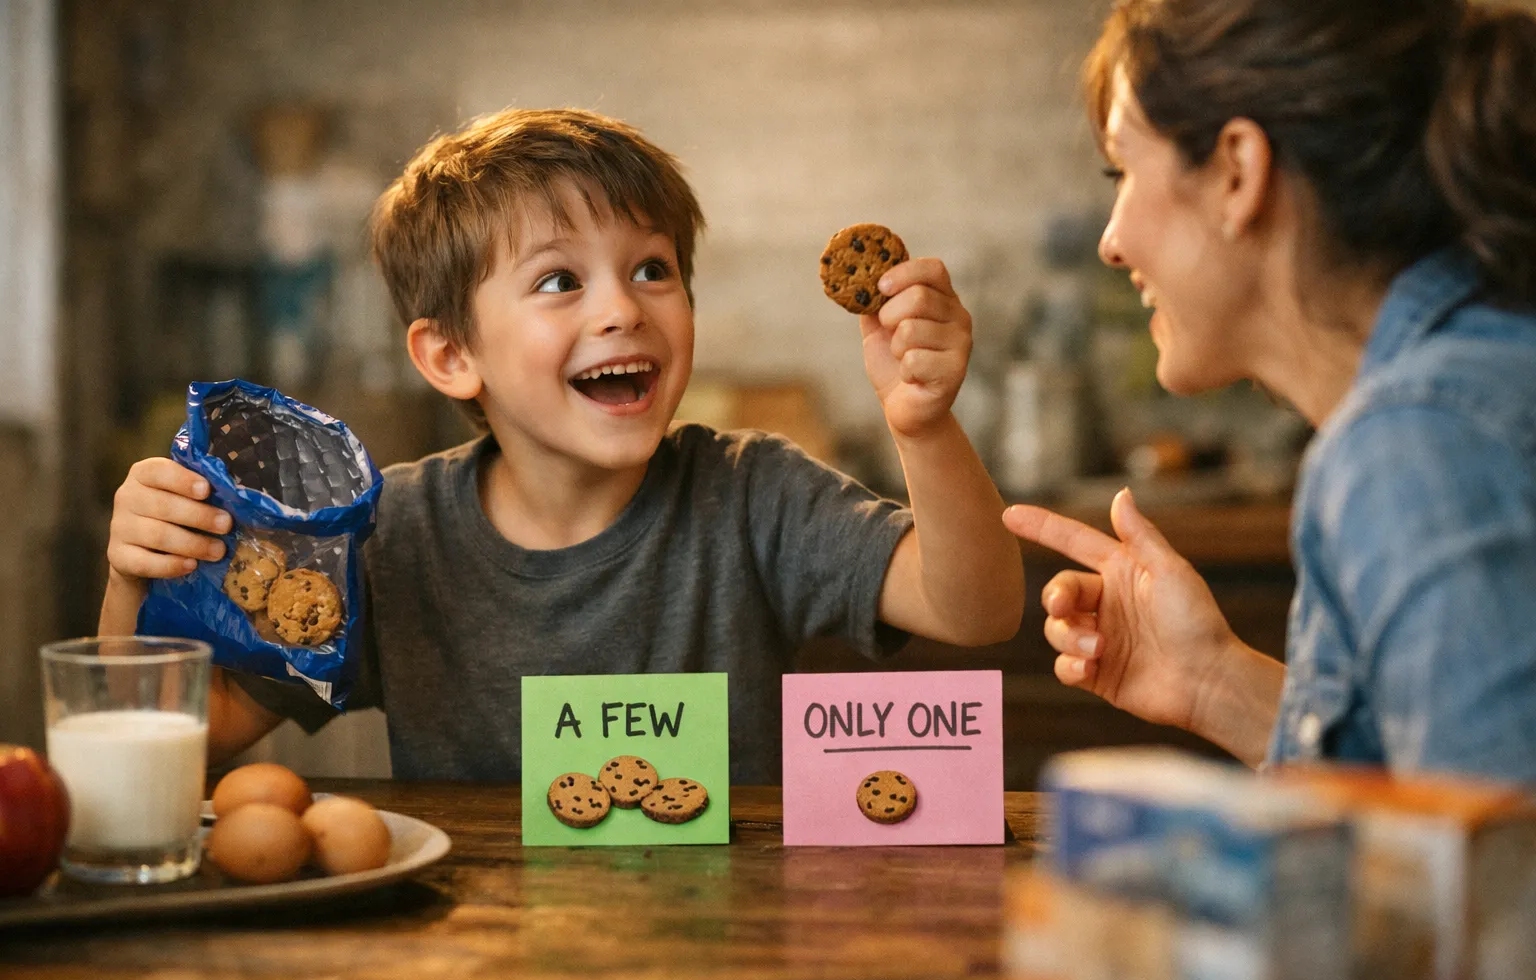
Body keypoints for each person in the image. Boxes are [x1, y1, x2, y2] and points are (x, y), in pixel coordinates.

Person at [99, 108, 1024, 782]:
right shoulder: (387, 542)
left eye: (652, 269)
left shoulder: (755, 496)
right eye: (559, 281)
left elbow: (977, 607)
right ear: (452, 354)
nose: (623, 308)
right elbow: (180, 736)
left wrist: (924, 424)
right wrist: (140, 578)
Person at [1005, 0, 1536, 783]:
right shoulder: (1446, 398)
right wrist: (1216, 681)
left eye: (1124, 171)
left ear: (1237, 173)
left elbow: (1494, 886)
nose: (1110, 243)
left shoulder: (1418, 441)